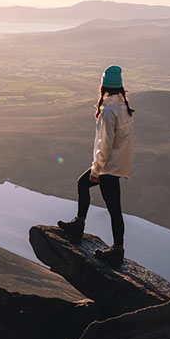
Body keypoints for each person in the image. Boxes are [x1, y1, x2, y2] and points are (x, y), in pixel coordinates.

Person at [58, 65, 134, 268]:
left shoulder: (109, 111)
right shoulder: (123, 108)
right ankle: (79, 224)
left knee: (112, 208)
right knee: (94, 193)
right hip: (116, 165)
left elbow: (105, 144)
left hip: (108, 167)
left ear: (104, 86)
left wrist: (96, 170)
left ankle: (116, 250)